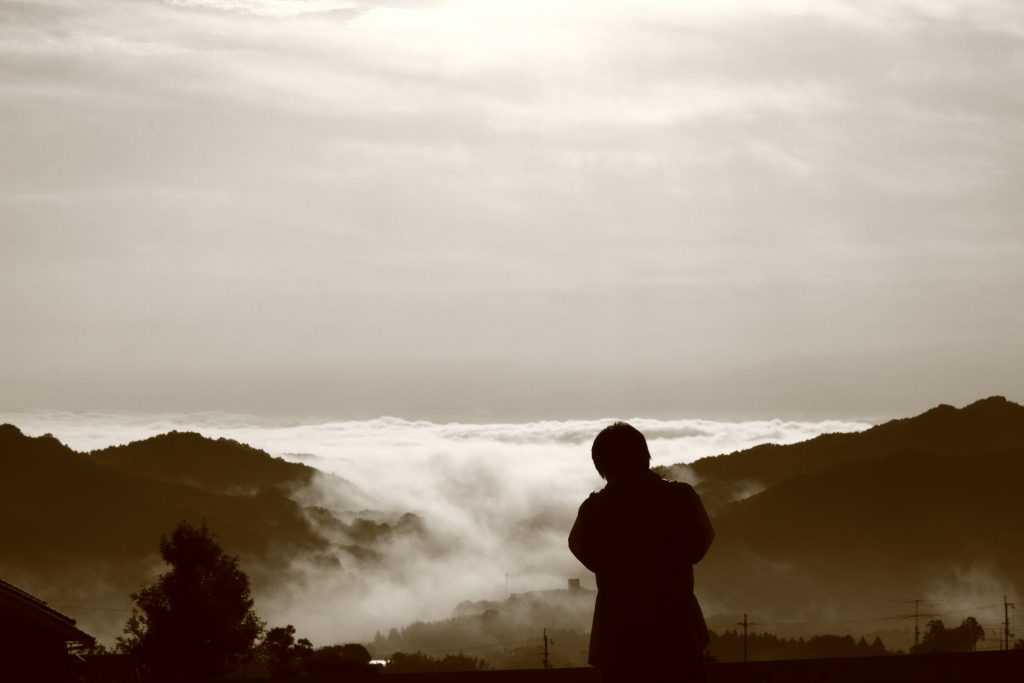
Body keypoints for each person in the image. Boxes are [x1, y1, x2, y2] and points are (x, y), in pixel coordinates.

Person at [568, 422, 714, 682]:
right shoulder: (681, 498)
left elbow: (583, 551)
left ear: (601, 466)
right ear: (645, 455)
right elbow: (699, 547)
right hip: (679, 640)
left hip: (620, 647)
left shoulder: (594, 510)